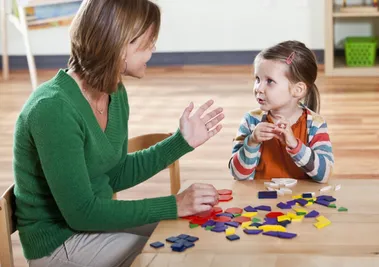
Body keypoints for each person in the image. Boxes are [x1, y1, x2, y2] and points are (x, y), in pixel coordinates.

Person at [13, 0, 224, 266]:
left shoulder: (114, 92)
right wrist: (174, 204)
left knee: (195, 230)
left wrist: (180, 143)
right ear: (120, 45)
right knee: (168, 255)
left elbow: (114, 173)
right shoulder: (52, 109)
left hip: (94, 224)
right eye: (147, 43)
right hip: (60, 243)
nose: (154, 49)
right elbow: (82, 213)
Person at [229, 40, 334, 183]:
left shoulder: (316, 124)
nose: (259, 88)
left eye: (270, 81)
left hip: (301, 201)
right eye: (258, 79)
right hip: (260, 200)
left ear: (298, 90)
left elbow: (324, 175)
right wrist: (252, 142)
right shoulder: (250, 121)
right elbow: (237, 175)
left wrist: (295, 146)